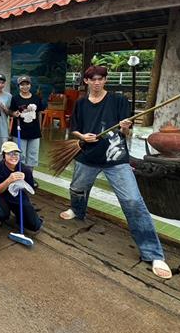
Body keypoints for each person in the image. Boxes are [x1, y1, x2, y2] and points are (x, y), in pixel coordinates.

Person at [59, 65, 172, 279]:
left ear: (105, 80)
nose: (97, 82)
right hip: (87, 156)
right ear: (86, 81)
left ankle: (153, 253)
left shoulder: (119, 101)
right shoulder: (81, 104)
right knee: (77, 188)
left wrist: (125, 127)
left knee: (132, 201)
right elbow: (74, 128)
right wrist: (83, 137)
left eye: (101, 79)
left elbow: (125, 131)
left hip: (115, 158)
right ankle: (78, 210)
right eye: (93, 79)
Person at [0, 141, 43, 231]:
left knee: (35, 225)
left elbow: (31, 190)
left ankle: (20, 217)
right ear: (3, 155)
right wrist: (9, 180)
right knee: (2, 214)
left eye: (16, 153)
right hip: (1, 196)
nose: (13, 156)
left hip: (18, 197)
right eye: (10, 153)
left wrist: (23, 183)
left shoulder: (25, 170)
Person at [10, 75, 45, 170]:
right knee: (20, 155)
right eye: (22, 85)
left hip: (34, 131)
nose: (25, 87)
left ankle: (29, 176)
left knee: (33, 156)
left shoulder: (36, 98)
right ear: (19, 86)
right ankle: (20, 175)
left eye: (27, 84)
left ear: (30, 85)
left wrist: (40, 128)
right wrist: (14, 113)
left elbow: (40, 114)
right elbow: (11, 112)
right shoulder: (15, 98)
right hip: (19, 131)